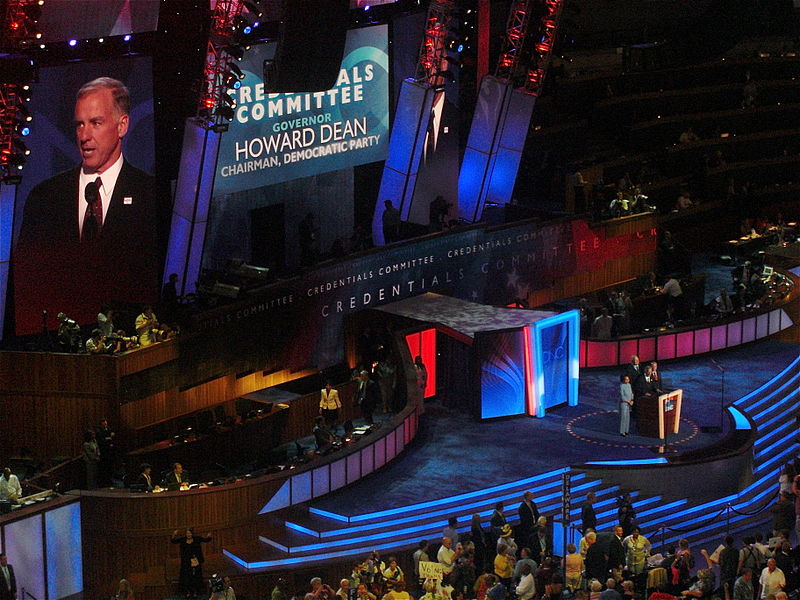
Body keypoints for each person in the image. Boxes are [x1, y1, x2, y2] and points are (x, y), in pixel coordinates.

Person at [13, 77, 158, 335]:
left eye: (96, 123)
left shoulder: (149, 194)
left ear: (122, 125)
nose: (84, 136)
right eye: (79, 125)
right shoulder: (44, 198)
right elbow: (27, 287)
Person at [171, 528, 212, 599]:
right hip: (186, 563)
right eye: (187, 533)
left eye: (189, 533)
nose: (188, 535)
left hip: (195, 561)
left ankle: (195, 592)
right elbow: (173, 541)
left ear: (192, 533)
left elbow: (206, 540)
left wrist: (209, 536)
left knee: (196, 577)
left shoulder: (197, 539)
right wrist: (174, 535)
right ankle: (188, 592)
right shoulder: (183, 540)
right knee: (187, 578)